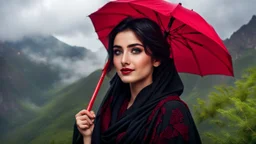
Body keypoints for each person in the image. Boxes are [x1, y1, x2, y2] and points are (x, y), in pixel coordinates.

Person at [72, 17, 202, 144]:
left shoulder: (171, 111)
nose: (124, 60)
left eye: (135, 50)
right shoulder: (112, 104)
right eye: (117, 52)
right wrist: (88, 136)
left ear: (156, 59)